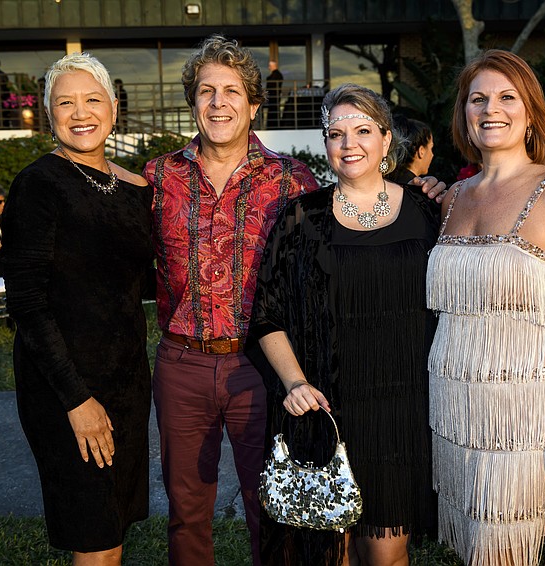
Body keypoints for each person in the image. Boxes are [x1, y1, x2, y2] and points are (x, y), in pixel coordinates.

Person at [143, 34, 445, 566]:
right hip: (184, 361)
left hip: (262, 368)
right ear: (192, 102)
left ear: (254, 105)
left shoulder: (290, 180)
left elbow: (356, 213)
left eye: (232, 91)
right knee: (186, 512)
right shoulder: (156, 177)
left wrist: (428, 188)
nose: (218, 103)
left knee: (277, 510)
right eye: (206, 91)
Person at [427, 49, 545, 565]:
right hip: (455, 409)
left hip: (528, 416)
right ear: (464, 113)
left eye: (507, 97)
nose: (491, 109)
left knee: (505, 548)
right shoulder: (452, 198)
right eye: (478, 99)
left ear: (530, 113)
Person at [247, 83, 438, 565]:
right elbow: (267, 313)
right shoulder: (302, 217)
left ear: (386, 138)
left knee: (387, 551)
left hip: (404, 410)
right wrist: (294, 382)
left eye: (363, 131)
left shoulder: (429, 209)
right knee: (331, 552)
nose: (349, 144)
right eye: (336, 134)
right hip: (328, 406)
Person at [2, 52, 153, 565]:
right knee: (94, 536)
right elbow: (26, 303)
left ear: (114, 107)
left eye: (92, 99)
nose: (81, 112)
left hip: (128, 382)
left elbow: (138, 280)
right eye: (65, 103)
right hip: (66, 388)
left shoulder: (136, 188)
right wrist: (77, 400)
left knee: (114, 528)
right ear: (49, 116)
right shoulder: (38, 185)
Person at [388, 113, 435, 185]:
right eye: (431, 148)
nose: (432, 155)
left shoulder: (385, 182)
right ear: (421, 151)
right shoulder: (419, 188)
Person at [265, 59, 283, 128]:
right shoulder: (276, 75)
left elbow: (271, 84)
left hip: (274, 97)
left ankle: (273, 125)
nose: (269, 67)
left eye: (270, 66)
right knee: (272, 111)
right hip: (273, 97)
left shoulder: (277, 75)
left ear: (273, 66)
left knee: (273, 112)